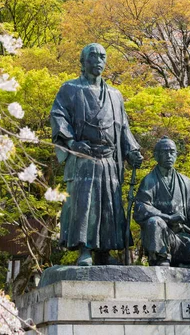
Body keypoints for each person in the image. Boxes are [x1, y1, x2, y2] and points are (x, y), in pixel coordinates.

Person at [50, 43, 143, 266]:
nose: (99, 60)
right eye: (94, 56)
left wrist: (132, 151)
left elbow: (123, 127)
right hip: (84, 157)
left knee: (109, 204)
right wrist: (72, 142)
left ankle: (105, 251)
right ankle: (85, 250)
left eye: (103, 56)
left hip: (110, 159)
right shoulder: (70, 89)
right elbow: (58, 116)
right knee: (84, 204)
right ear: (83, 61)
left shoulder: (115, 95)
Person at [133, 137, 190, 270]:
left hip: (182, 239)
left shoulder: (186, 182)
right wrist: (167, 217)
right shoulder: (149, 181)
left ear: (176, 155)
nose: (169, 156)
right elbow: (141, 207)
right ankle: (160, 258)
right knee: (155, 221)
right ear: (156, 156)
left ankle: (181, 266)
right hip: (162, 236)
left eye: (172, 152)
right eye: (164, 152)